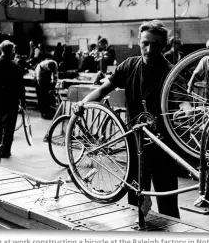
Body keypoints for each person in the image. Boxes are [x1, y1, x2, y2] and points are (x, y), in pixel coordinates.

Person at [72, 20, 180, 219]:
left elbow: (185, 105)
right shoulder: (129, 66)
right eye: (145, 43)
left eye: (155, 45)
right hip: (135, 147)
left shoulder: (171, 72)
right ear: (139, 40)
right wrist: (83, 103)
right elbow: (104, 88)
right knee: (135, 204)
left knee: (168, 206)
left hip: (162, 148)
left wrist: (185, 113)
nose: (148, 49)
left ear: (163, 46)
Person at [0, 40, 26, 158]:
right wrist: (22, 102)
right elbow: (20, 86)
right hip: (11, 101)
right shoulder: (15, 66)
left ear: (1, 50)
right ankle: (6, 151)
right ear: (12, 50)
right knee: (9, 128)